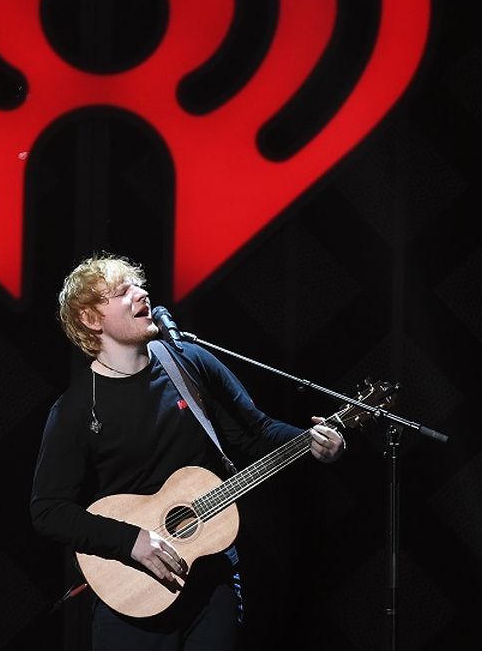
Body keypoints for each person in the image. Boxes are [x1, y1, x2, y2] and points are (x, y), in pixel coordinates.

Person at [31, 254, 345, 650]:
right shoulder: (76, 409)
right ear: (92, 320)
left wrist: (313, 442)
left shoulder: (187, 363)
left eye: (138, 285)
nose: (141, 292)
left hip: (211, 581)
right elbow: (48, 510)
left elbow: (256, 432)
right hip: (132, 591)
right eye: (122, 291)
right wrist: (130, 541)